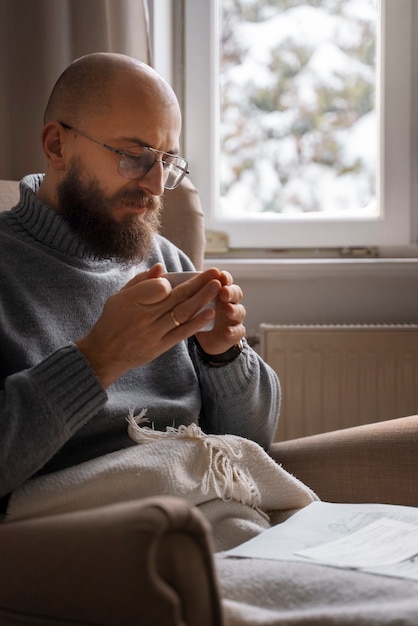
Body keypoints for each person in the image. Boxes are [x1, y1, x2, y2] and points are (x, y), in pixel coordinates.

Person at [0, 52, 280, 506]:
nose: (154, 184)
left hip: (213, 511)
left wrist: (224, 356)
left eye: (167, 161)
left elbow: (256, 440)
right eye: (134, 156)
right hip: (88, 537)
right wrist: (98, 359)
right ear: (56, 146)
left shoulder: (164, 258)